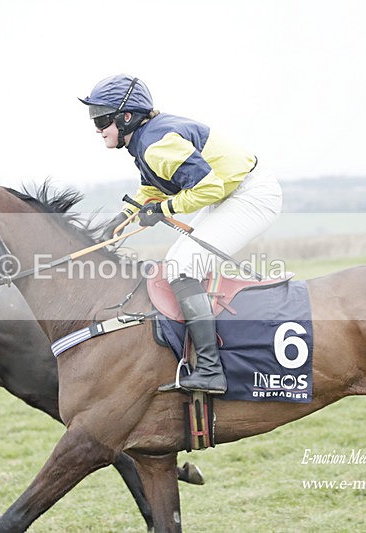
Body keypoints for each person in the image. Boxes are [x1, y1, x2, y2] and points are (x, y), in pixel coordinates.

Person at [79, 74, 283, 394]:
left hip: (249, 195)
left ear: (126, 117)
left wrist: (162, 211)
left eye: (102, 119)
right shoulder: (145, 139)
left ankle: (211, 370)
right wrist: (125, 215)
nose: (97, 128)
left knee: (183, 266)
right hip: (230, 192)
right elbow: (154, 186)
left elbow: (208, 187)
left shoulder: (156, 143)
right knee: (175, 264)